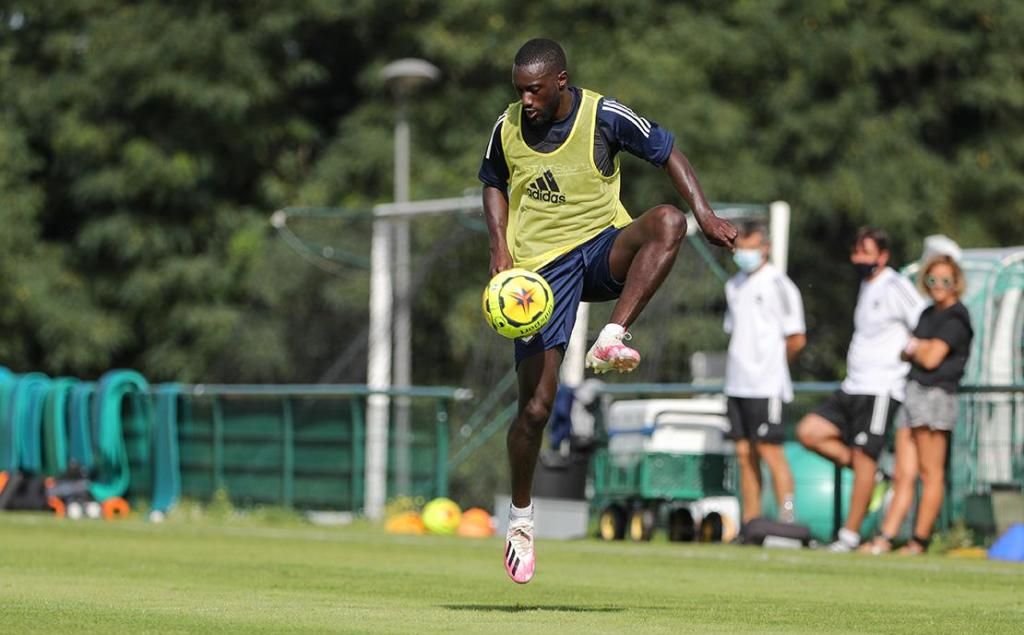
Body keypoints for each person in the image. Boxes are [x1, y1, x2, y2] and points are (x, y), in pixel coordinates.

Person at [479, 38, 737, 583]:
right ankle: (522, 519)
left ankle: (612, 334)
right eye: (519, 90)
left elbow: (667, 151)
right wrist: (500, 249)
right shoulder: (505, 127)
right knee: (535, 410)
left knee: (669, 221)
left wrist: (708, 216)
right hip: (540, 278)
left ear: (561, 81)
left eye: (534, 89)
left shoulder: (603, 114)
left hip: (601, 250)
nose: (525, 99)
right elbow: (493, 184)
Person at [796, 227, 926, 552]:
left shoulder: (895, 284)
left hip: (881, 388)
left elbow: (924, 318)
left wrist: (910, 350)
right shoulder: (865, 286)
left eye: (866, 252)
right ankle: (876, 477)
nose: (859, 259)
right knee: (809, 432)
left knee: (865, 456)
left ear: (883, 256)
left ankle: (850, 536)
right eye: (856, 252)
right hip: (852, 385)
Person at [861, 254, 973, 555]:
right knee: (903, 472)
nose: (938, 286)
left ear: (956, 283)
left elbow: (931, 357)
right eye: (933, 279)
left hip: (937, 396)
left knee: (930, 472)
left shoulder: (957, 317)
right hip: (913, 391)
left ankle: (919, 541)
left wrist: (917, 348)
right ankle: (886, 537)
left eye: (945, 281)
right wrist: (917, 349)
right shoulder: (926, 314)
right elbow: (907, 351)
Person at [723, 221, 806, 525]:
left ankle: (787, 520)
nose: (744, 254)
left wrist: (773, 365)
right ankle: (751, 522)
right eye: (740, 248)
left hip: (766, 385)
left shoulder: (778, 285)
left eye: (750, 247)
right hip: (736, 384)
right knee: (744, 455)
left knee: (770, 451)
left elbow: (796, 338)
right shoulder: (732, 285)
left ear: (765, 248)